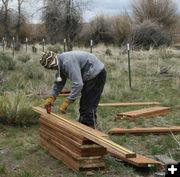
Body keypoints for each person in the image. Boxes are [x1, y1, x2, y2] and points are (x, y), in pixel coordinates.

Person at [40, 50, 106, 129]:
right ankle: (83, 129)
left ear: (54, 62)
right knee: (84, 106)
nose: (52, 69)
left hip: (96, 75)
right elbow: (59, 82)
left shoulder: (67, 62)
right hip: (90, 77)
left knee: (88, 107)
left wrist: (68, 101)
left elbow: (78, 84)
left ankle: (90, 133)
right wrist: (52, 97)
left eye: (51, 67)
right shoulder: (60, 63)